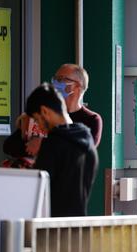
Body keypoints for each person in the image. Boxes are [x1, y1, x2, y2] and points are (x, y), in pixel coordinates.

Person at [3, 64, 103, 161]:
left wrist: (43, 144)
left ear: (77, 86)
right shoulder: (42, 114)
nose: (55, 83)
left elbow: (82, 153)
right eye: (54, 79)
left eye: (60, 79)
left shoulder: (92, 119)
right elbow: (9, 147)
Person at [25, 83, 98, 217]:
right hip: (78, 228)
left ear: (44, 112)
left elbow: (39, 190)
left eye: (37, 119)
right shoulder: (87, 139)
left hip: (51, 229)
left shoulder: (53, 143)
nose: (39, 126)